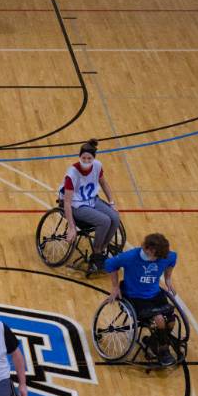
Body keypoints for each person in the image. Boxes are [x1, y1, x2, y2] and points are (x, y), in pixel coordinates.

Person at [103, 232, 178, 367]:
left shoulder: (166, 256)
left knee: (171, 320)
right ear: (147, 249)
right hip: (134, 296)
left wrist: (168, 279)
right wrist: (115, 286)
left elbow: (172, 259)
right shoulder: (130, 256)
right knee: (159, 319)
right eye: (155, 256)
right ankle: (163, 350)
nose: (157, 259)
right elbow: (110, 264)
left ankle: (154, 341)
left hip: (154, 293)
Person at [63, 139, 120, 273]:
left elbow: (103, 183)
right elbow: (67, 202)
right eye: (84, 158)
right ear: (79, 157)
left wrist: (112, 202)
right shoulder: (72, 174)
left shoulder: (97, 166)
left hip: (92, 200)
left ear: (94, 158)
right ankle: (97, 252)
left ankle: (102, 248)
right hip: (77, 205)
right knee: (104, 221)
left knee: (115, 217)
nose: (86, 161)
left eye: (89, 158)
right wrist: (71, 227)